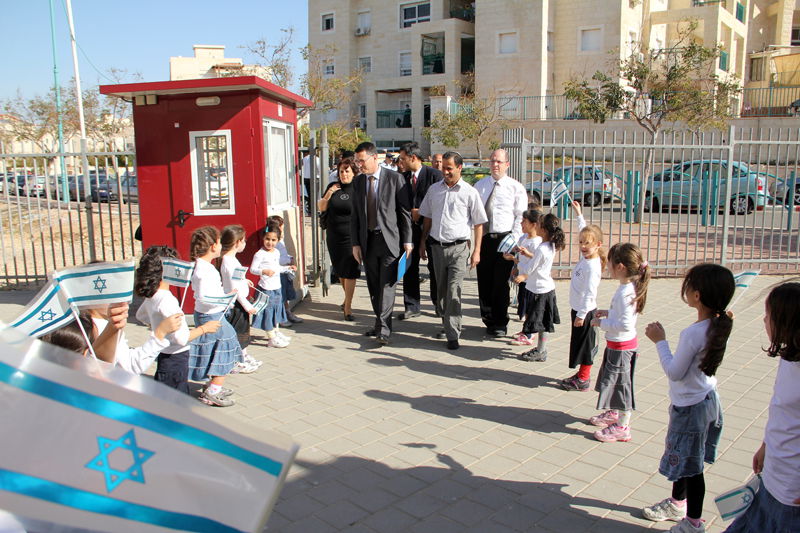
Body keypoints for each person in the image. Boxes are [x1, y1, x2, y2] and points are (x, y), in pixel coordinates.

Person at [640, 264, 735, 533]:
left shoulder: (694, 333)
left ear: (697, 295)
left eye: (689, 284)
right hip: (706, 401)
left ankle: (693, 522)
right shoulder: (721, 322)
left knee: (692, 467)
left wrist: (659, 341)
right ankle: (677, 503)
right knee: (687, 457)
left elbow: (674, 372)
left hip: (691, 408)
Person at [723, 281, 800, 533]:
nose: (764, 321)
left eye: (768, 316)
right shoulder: (789, 358)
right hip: (772, 477)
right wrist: (766, 445)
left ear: (787, 322)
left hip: (792, 494)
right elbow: (782, 412)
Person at [419, 151, 487, 350]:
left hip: (459, 249)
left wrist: (477, 251)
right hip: (437, 248)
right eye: (443, 168)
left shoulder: (469, 192)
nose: (445, 172)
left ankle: (453, 333)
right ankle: (445, 320)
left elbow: (479, 224)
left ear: (460, 168)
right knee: (440, 291)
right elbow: (427, 217)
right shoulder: (434, 190)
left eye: (449, 168)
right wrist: (423, 241)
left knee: (453, 290)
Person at [134, 245, 222, 393]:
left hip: (163, 355)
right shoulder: (167, 300)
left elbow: (140, 315)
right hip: (176, 359)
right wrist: (204, 328)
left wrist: (158, 326)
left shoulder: (153, 295)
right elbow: (182, 339)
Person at [351, 141, 413, 345]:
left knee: (387, 285)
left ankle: (384, 330)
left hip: (390, 241)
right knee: (373, 286)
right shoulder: (359, 182)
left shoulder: (394, 179)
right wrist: (355, 244)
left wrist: (408, 240)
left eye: (362, 160)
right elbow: (356, 216)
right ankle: (379, 323)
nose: (359, 164)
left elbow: (404, 213)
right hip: (367, 241)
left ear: (374, 157)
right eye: (357, 161)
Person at [589, 242, 651, 442]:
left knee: (622, 387)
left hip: (622, 347)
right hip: (617, 345)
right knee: (615, 383)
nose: (607, 266)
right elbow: (622, 316)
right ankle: (614, 413)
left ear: (621, 267)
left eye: (610, 263)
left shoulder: (626, 292)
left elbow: (624, 324)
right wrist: (608, 314)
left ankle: (623, 425)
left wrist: (602, 322)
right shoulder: (626, 287)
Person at [474, 149, 528, 337]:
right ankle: (487, 318)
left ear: (507, 164)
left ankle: (500, 322)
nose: (495, 165)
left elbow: (520, 215)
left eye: (499, 162)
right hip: (486, 238)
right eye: (493, 161)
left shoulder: (515, 187)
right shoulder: (480, 186)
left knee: (500, 283)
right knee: (484, 281)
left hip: (506, 239)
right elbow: (474, 214)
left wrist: (514, 239)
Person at [189, 226, 244, 407]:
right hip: (212, 316)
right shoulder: (205, 270)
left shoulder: (203, 266)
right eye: (220, 242)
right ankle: (213, 391)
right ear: (213, 246)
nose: (221, 246)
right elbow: (205, 296)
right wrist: (225, 298)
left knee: (214, 349)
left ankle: (212, 385)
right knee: (225, 349)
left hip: (210, 314)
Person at [559, 201, 605, 391]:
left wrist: (582, 314)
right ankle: (580, 374)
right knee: (578, 343)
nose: (583, 246)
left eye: (588, 243)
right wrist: (578, 213)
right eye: (581, 242)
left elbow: (590, 292)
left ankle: (584, 379)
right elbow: (583, 229)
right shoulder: (586, 258)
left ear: (598, 245)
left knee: (586, 346)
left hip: (585, 312)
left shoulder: (593, 266)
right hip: (577, 308)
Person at [397, 141, 443, 320]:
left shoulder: (434, 176)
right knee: (409, 267)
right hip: (409, 231)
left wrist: (421, 212)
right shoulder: (401, 177)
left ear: (413, 158)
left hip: (431, 231)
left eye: (403, 158)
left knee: (435, 269)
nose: (400, 162)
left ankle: (438, 305)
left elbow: (439, 202)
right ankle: (411, 305)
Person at [512, 213, 565, 360]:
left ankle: (541, 351)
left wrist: (517, 264)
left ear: (544, 230)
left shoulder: (542, 248)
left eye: (540, 225)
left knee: (541, 322)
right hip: (543, 288)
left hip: (540, 290)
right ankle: (541, 349)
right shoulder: (550, 245)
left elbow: (530, 268)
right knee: (543, 322)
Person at [319, 158, 361, 321]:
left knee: (350, 271)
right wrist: (329, 194)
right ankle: (346, 300)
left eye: (347, 171)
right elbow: (321, 207)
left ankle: (348, 308)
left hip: (351, 237)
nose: (343, 174)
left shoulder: (358, 188)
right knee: (341, 271)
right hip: (334, 235)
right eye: (341, 171)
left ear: (353, 173)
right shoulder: (332, 187)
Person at [219, 225, 262, 373]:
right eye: (243, 240)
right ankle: (236, 360)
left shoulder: (232, 259)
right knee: (238, 332)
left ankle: (243, 355)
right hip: (236, 304)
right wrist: (247, 306)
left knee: (244, 330)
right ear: (236, 242)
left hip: (240, 303)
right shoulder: (227, 262)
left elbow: (237, 279)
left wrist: (245, 281)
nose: (244, 243)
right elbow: (234, 289)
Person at [250, 227, 296, 348]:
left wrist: (288, 268)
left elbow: (277, 268)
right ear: (263, 238)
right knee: (268, 312)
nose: (270, 242)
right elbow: (252, 269)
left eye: (273, 240)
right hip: (266, 288)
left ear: (278, 240)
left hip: (277, 287)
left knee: (276, 310)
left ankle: (276, 332)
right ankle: (271, 338)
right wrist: (263, 271)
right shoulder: (259, 254)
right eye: (267, 239)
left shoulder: (276, 252)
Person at [506, 209, 541, 339]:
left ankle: (529, 333)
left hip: (531, 280)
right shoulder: (522, 238)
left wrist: (528, 254)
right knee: (523, 304)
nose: (521, 224)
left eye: (524, 221)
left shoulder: (538, 241)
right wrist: (513, 261)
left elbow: (538, 260)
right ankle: (525, 329)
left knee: (530, 307)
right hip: (522, 279)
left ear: (534, 224)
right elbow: (519, 257)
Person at [267, 215, 303, 325]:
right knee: (281, 297)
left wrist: (288, 259)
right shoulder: (274, 242)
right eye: (282, 227)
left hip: (284, 271)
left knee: (285, 296)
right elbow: (277, 258)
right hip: (279, 273)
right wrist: (289, 260)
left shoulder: (280, 240)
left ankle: (287, 313)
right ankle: (281, 318)